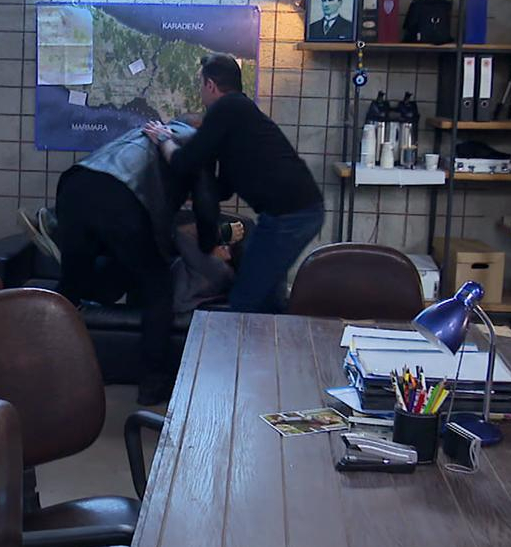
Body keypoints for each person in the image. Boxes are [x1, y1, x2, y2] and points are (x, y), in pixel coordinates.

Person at [53, 118, 221, 405]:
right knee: (159, 285)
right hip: (121, 198)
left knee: (72, 287)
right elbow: (205, 205)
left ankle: (47, 367)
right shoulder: (197, 143)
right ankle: (153, 383)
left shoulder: (147, 133)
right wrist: (208, 244)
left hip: (74, 186)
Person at [144, 54, 324, 314]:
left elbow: (183, 162)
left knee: (245, 298)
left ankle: (262, 337)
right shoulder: (239, 113)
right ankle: (274, 336)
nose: (201, 93)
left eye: (201, 86)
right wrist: (190, 198)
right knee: (266, 295)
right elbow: (224, 188)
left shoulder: (227, 108)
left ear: (210, 85)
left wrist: (163, 139)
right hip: (294, 212)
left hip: (291, 216)